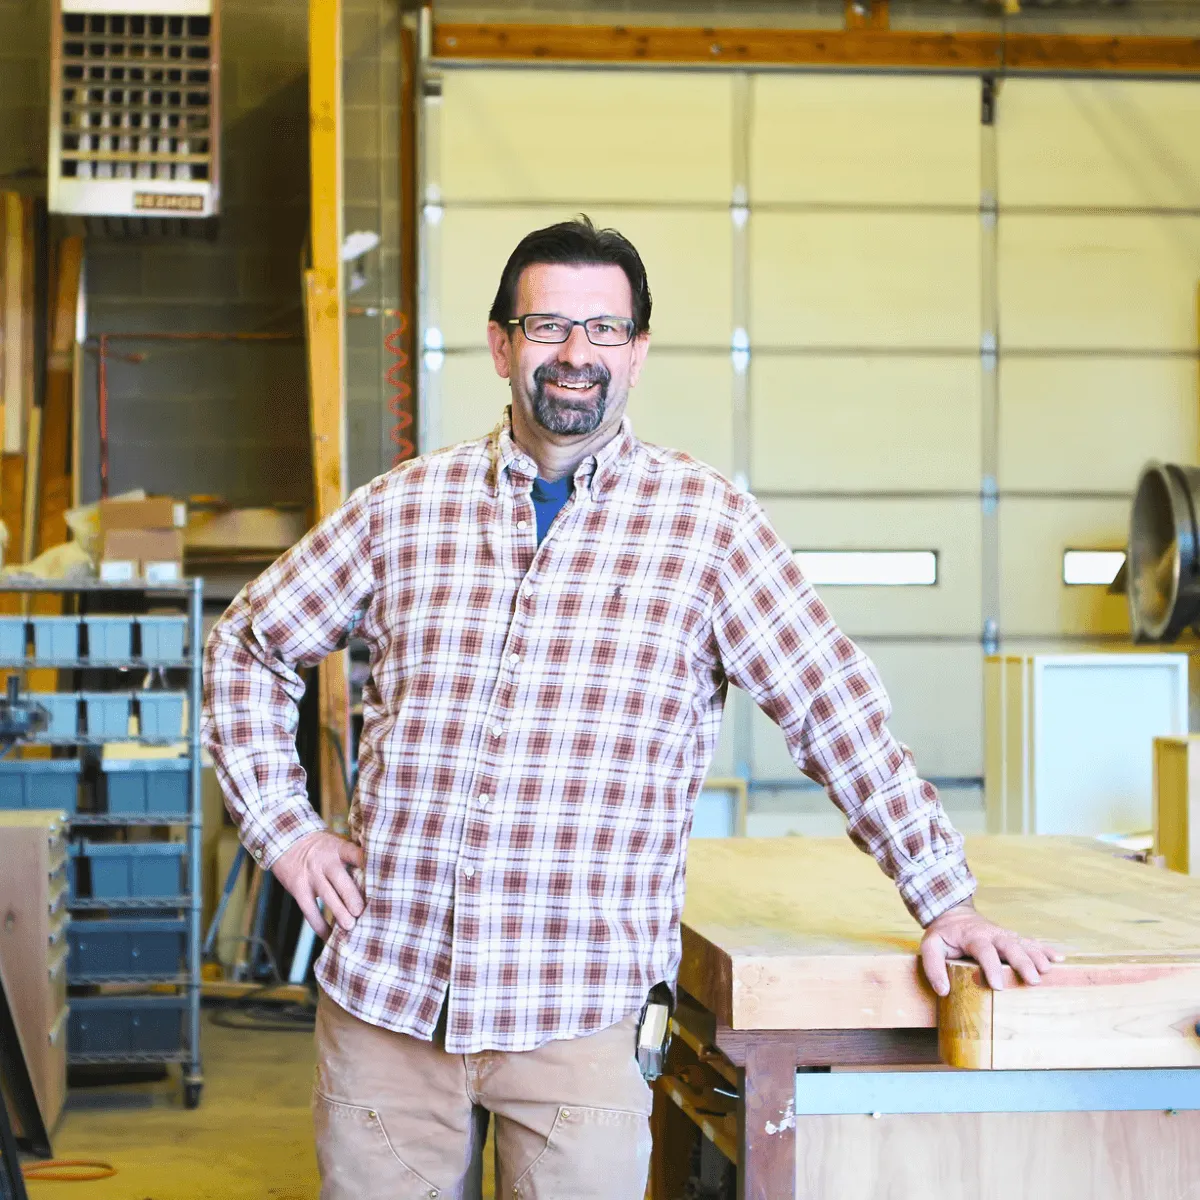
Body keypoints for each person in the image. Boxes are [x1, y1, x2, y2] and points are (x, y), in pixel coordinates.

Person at [202, 216, 1060, 1200]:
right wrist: (288, 832)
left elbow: (836, 713)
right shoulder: (403, 507)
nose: (576, 354)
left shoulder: (709, 528)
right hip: (389, 1005)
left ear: (639, 353)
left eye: (605, 330)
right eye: (549, 326)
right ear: (500, 344)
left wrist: (943, 897)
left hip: (579, 1016)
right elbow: (248, 645)